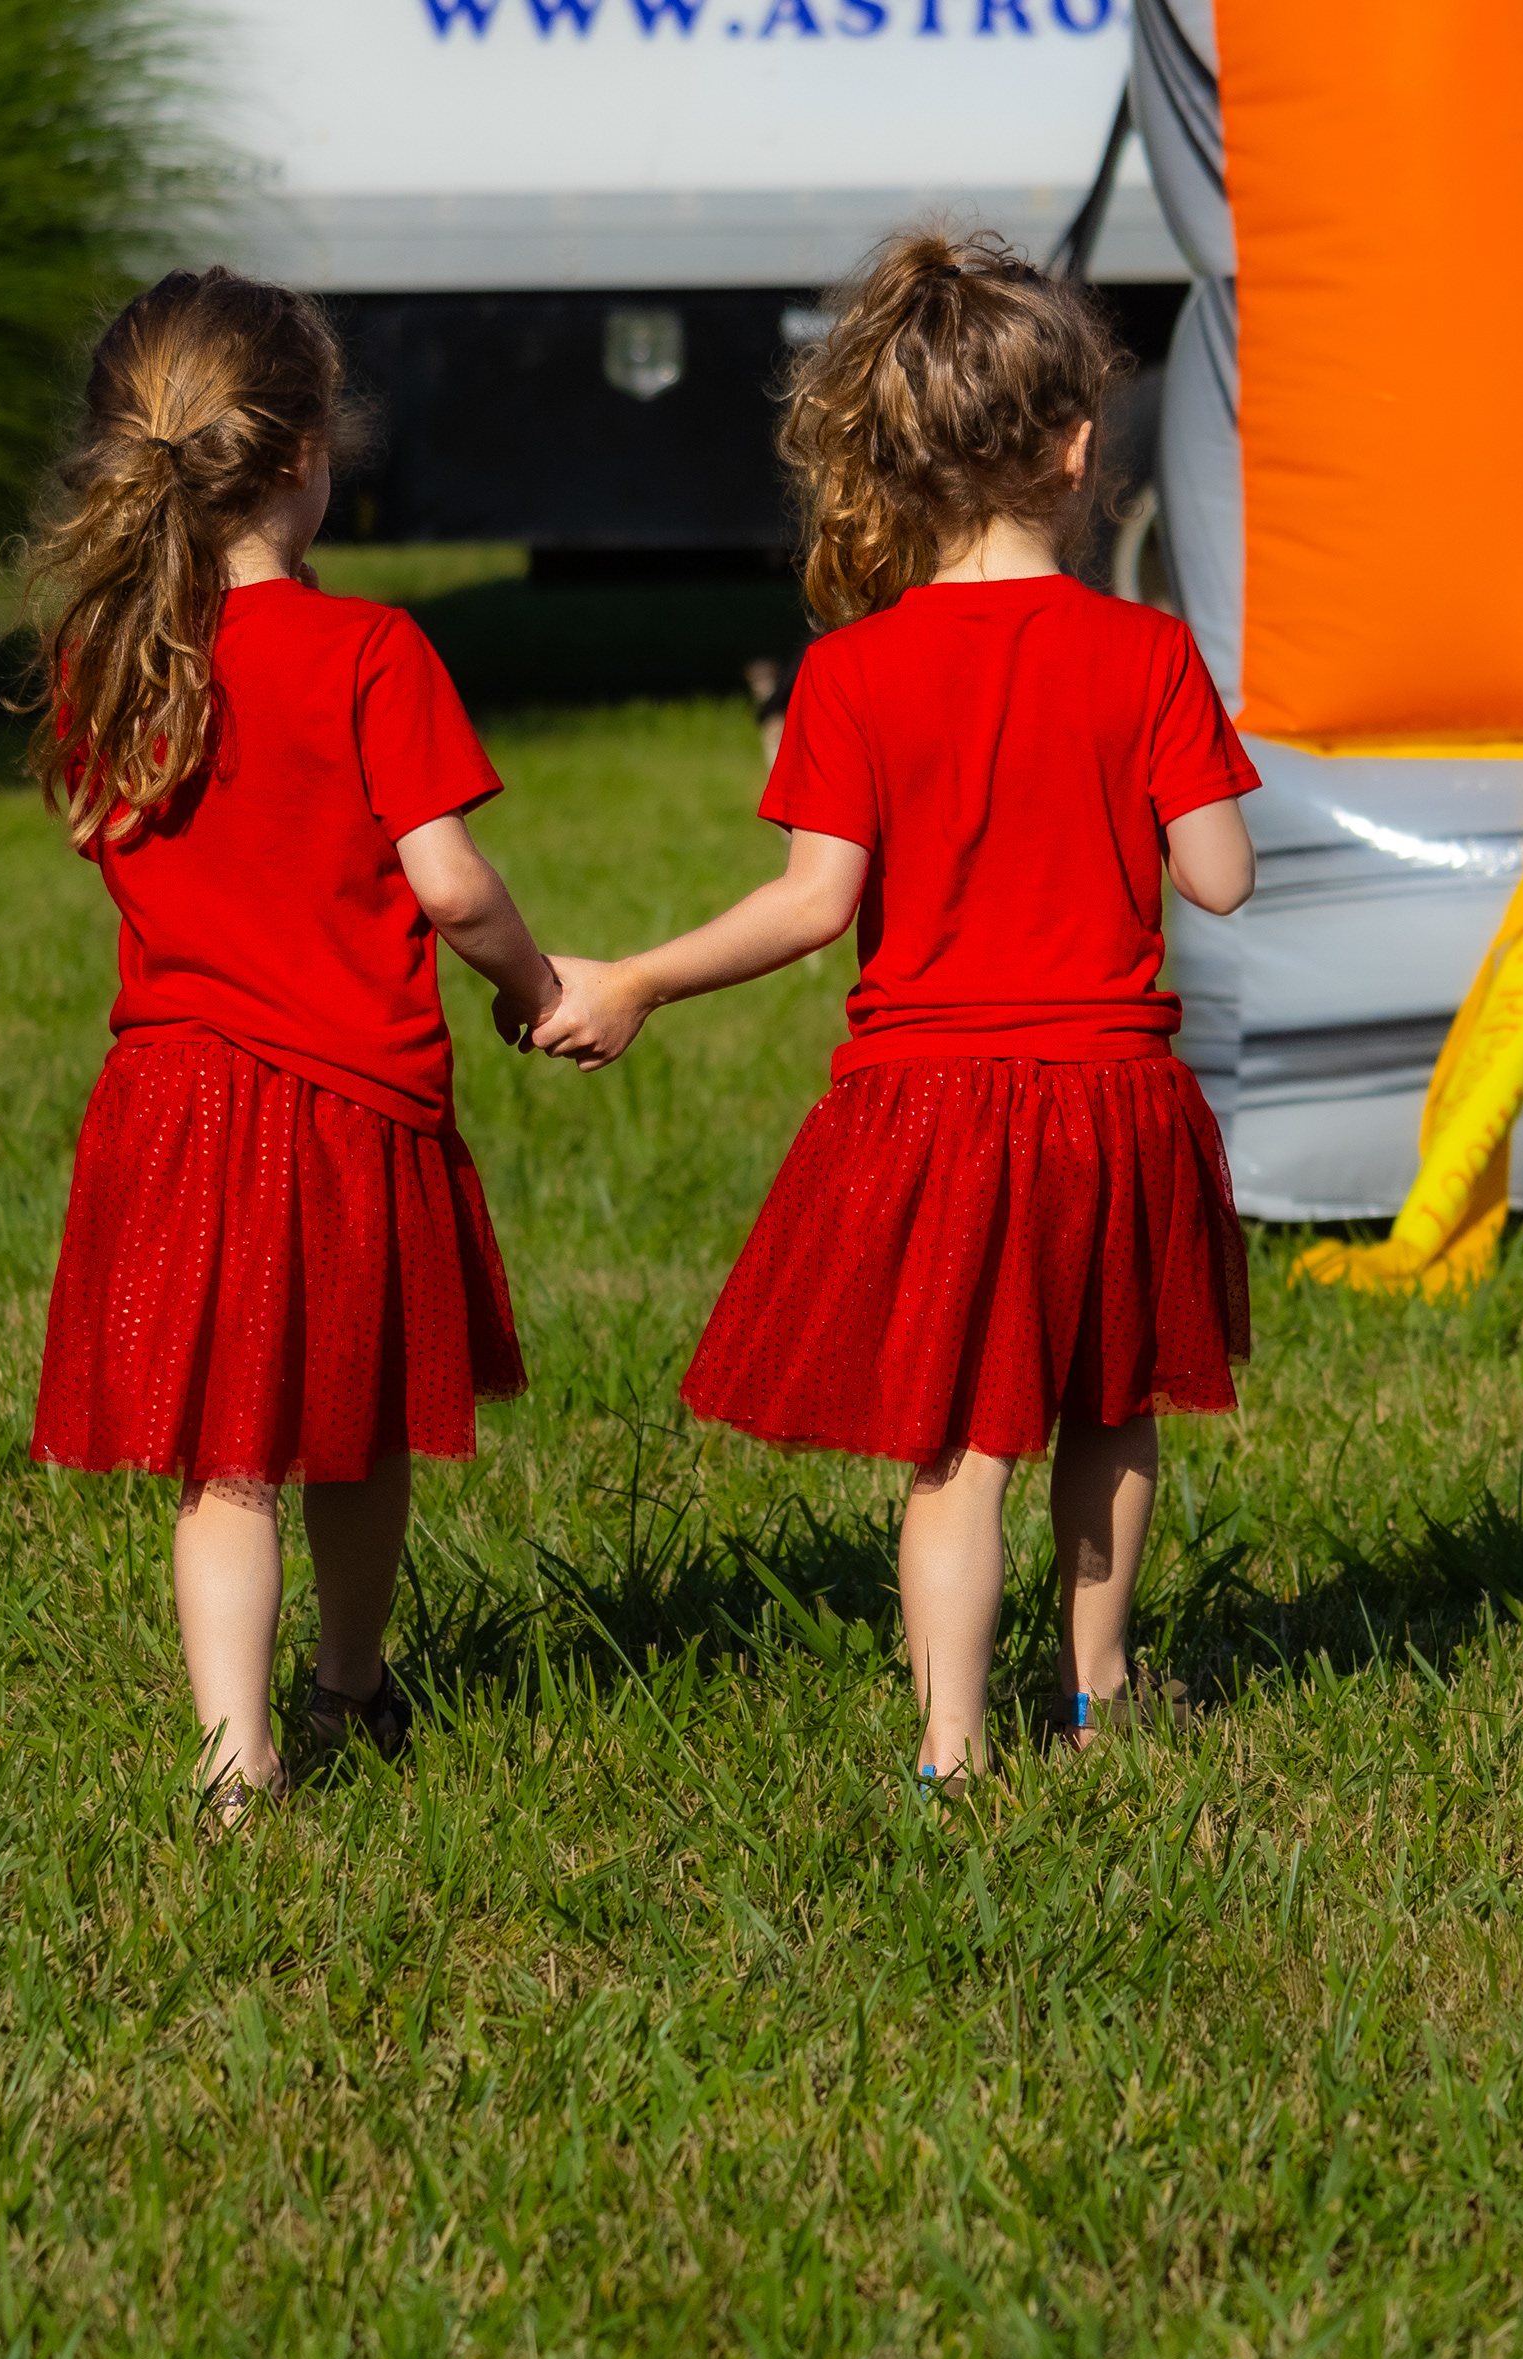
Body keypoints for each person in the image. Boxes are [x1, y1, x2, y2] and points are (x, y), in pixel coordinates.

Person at [530, 231, 1261, 1786]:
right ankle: (1101, 1692)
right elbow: (1220, 883)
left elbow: (810, 908)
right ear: (1077, 452)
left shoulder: (850, 675)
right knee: (1109, 1412)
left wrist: (644, 976)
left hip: (929, 1115)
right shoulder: (1147, 654)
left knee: (958, 1445)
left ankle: (949, 1746)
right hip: (1107, 1103)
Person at [21, 270, 562, 1823]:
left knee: (224, 1458)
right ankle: (348, 1682)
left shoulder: (114, 657)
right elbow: (450, 881)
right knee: (354, 1417)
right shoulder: (370, 652)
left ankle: (231, 1760)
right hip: (344, 1108)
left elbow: (97, 825)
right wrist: (531, 984)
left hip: (173, 1105)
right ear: (310, 450)